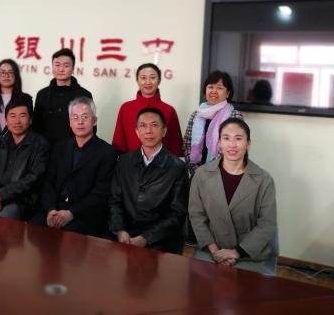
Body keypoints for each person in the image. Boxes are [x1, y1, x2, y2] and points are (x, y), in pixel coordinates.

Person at [188, 118, 278, 275]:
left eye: (238, 138)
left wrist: (236, 252)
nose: (232, 145)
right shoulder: (201, 174)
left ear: (248, 144)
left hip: (248, 255)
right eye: (226, 138)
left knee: (244, 288)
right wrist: (215, 250)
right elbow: (196, 216)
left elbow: (267, 224)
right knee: (198, 286)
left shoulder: (264, 180)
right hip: (210, 251)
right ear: (219, 143)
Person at [32, 97, 118, 237]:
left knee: (67, 238)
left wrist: (72, 213)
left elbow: (101, 193)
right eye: (75, 117)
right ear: (70, 122)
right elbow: (48, 182)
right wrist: (51, 210)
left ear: (94, 121)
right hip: (56, 209)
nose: (80, 121)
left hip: (85, 216)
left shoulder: (107, 152)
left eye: (85, 117)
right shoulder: (60, 146)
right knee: (31, 229)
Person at [108, 107, 189, 254]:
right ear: (137, 131)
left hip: (160, 241)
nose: (148, 131)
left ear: (164, 131)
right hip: (124, 235)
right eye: (143, 126)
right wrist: (120, 230)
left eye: (154, 125)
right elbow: (115, 200)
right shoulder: (124, 161)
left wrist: (146, 238)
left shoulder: (177, 168)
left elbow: (177, 214)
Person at [112, 63, 183, 156]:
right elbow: (119, 142)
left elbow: (175, 145)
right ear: (137, 81)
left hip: (162, 164)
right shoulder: (126, 108)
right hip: (130, 163)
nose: (148, 82)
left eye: (152, 77)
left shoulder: (169, 110)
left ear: (159, 80)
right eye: (143, 78)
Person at [183, 70, 243, 171]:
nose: (214, 91)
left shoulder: (234, 116)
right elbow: (187, 143)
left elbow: (233, 147)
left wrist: (210, 173)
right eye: (210, 87)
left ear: (228, 93)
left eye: (219, 88)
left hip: (222, 172)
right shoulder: (196, 115)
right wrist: (196, 171)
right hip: (196, 172)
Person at [33, 48, 92, 145]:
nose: (61, 69)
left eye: (66, 65)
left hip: (74, 149)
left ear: (73, 69)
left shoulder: (84, 95)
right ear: (52, 67)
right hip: (45, 150)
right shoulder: (42, 94)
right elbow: (35, 126)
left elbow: (90, 127)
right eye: (57, 65)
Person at [0, 59, 33, 139]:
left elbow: (29, 127)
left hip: (15, 144)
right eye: (3, 72)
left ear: (16, 75)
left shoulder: (25, 99)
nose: (6, 76)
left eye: (10, 72)